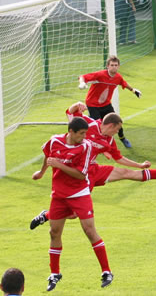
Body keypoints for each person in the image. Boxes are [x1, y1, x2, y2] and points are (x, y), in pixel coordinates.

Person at [29, 103, 156, 231]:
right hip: (80, 173)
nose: (117, 133)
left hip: (93, 169)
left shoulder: (109, 140)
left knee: (126, 173)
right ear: (110, 126)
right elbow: (70, 112)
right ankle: (46, 215)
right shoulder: (89, 124)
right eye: (117, 130)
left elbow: (119, 158)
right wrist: (78, 104)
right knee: (73, 214)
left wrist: (140, 165)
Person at [32, 117, 114, 291]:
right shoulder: (55, 141)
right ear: (71, 132)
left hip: (79, 193)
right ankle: (55, 273)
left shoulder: (85, 147)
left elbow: (80, 175)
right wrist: (41, 172)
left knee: (89, 231)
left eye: (86, 133)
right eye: (81, 133)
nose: (84, 136)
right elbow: (48, 154)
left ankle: (106, 271)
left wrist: (59, 165)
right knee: (54, 232)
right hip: (59, 195)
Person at [78, 55, 140, 148]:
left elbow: (124, 83)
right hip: (92, 104)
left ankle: (123, 138)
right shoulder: (100, 75)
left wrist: (133, 90)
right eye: (112, 65)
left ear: (118, 66)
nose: (114, 67)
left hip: (106, 104)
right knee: (99, 126)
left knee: (117, 122)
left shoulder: (118, 77)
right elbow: (82, 76)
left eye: (116, 65)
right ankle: (99, 143)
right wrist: (82, 83)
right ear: (107, 66)